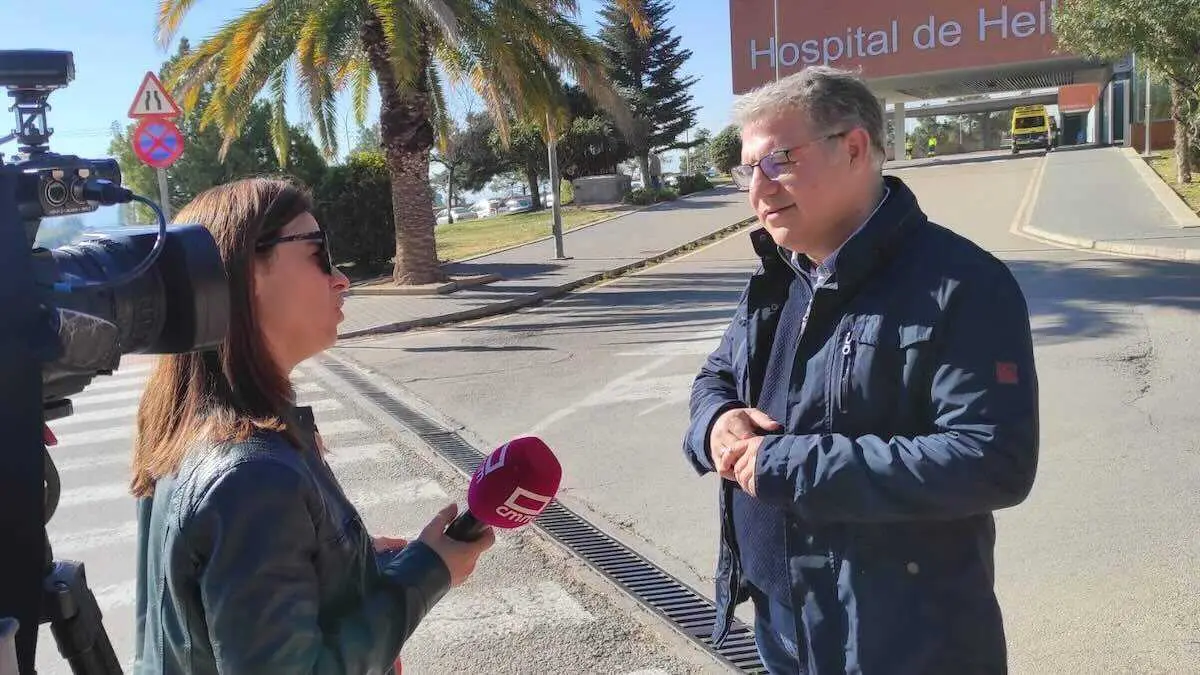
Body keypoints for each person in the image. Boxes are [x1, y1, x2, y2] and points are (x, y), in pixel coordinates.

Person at [683, 66, 1039, 674]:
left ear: (853, 149)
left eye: (779, 162)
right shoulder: (781, 276)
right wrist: (715, 424)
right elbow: (716, 377)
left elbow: (991, 460)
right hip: (780, 621)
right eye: (748, 170)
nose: (758, 190)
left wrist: (790, 465)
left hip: (898, 642)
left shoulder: (962, 286)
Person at [130, 177, 494, 674]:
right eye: (320, 253)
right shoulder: (249, 476)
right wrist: (428, 573)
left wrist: (359, 570)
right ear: (244, 272)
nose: (341, 279)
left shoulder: (187, 428)